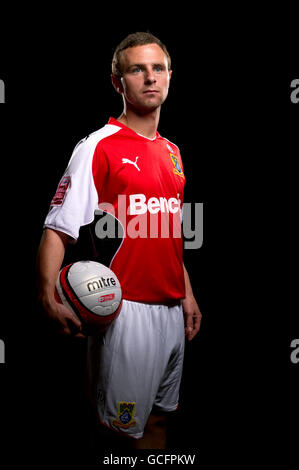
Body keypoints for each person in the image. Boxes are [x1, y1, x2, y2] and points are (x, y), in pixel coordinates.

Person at [36, 31, 202, 450]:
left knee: (160, 422)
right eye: (137, 69)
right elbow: (58, 228)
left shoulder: (172, 151)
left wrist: (187, 293)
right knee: (121, 434)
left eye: (158, 68)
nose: (150, 77)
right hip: (124, 312)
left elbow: (164, 229)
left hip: (170, 312)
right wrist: (46, 298)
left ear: (170, 75)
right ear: (118, 82)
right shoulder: (98, 146)